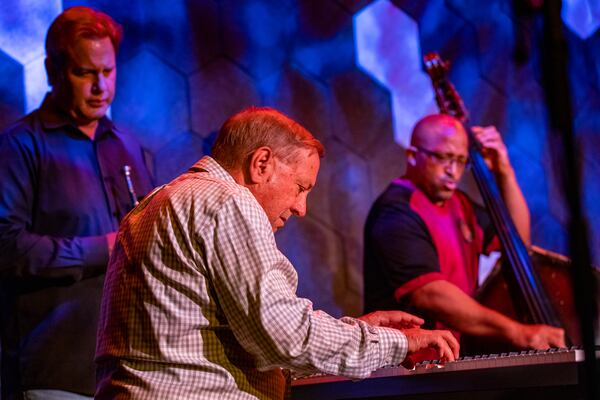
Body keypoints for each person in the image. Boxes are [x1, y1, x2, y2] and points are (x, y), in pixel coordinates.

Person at [95, 107, 459, 399]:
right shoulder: (226, 200)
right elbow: (286, 337)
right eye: (301, 187)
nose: (302, 207)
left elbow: (257, 339)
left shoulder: (157, 202)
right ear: (261, 164)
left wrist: (355, 330)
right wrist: (398, 344)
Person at [0, 7, 153, 399]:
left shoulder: (128, 145)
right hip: (57, 376)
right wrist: (106, 248)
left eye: (108, 71)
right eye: (85, 73)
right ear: (53, 71)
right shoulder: (19, 146)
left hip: (131, 373)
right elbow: (6, 247)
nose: (100, 86)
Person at [363, 114, 565, 357]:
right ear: (412, 155)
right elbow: (431, 294)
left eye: (461, 161)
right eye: (443, 158)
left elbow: (518, 245)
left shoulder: (461, 204)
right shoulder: (396, 211)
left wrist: (504, 172)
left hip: (451, 358)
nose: (453, 171)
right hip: (409, 364)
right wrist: (519, 332)